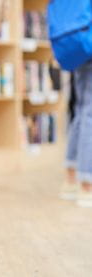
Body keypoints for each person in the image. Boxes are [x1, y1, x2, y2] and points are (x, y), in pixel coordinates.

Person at [60, 64, 92, 207]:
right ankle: (87, 186)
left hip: (83, 55)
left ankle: (71, 180)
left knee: (82, 111)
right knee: (88, 114)